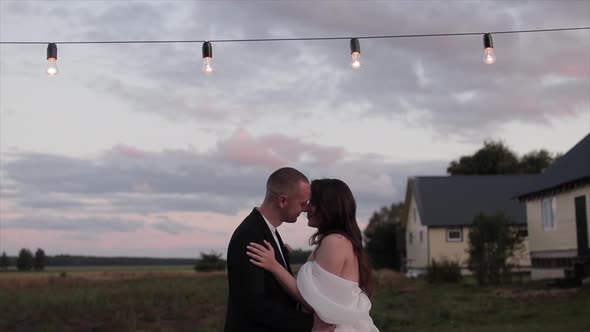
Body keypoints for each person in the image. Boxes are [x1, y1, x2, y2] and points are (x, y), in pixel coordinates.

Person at [246, 178, 380, 332]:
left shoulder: (334, 242)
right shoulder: (337, 241)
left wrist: (274, 266)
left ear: (327, 207)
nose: (306, 208)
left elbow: (311, 301)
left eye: (312, 203)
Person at [224, 167, 335, 332]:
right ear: (283, 201)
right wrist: (309, 324)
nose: (306, 209)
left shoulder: (268, 232)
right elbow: (254, 303)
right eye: (303, 203)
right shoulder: (249, 235)